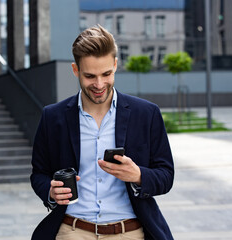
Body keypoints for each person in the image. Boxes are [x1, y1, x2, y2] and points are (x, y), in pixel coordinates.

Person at [30, 25, 174, 240]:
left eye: (106, 74)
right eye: (90, 76)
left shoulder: (147, 113)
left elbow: (166, 175)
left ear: (115, 65)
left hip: (130, 232)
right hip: (72, 231)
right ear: (75, 70)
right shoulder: (53, 117)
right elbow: (39, 174)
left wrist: (139, 176)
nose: (99, 84)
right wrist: (50, 192)